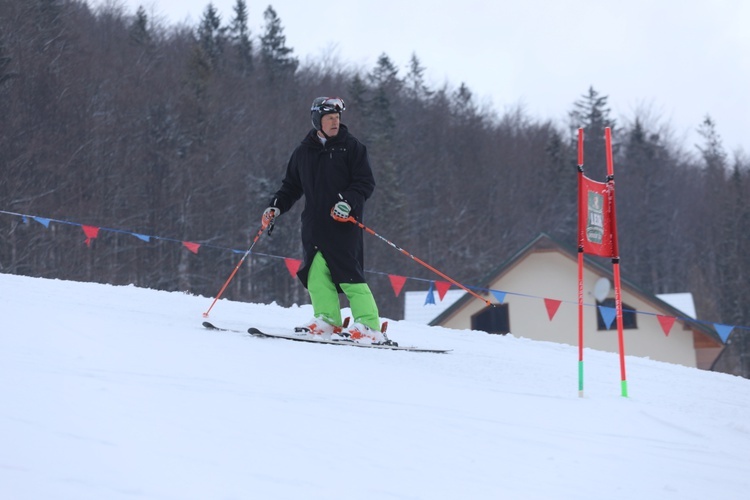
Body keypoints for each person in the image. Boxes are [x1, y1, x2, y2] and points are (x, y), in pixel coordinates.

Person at [261, 97, 384, 343]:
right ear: (318, 120)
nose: (335, 122)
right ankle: (328, 320)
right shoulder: (303, 152)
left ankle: (369, 326)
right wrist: (275, 207)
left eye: (337, 118)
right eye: (329, 118)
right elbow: (291, 187)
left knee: (350, 275)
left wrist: (347, 201)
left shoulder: (352, 148)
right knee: (316, 275)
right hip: (314, 225)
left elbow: (364, 183)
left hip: (343, 224)